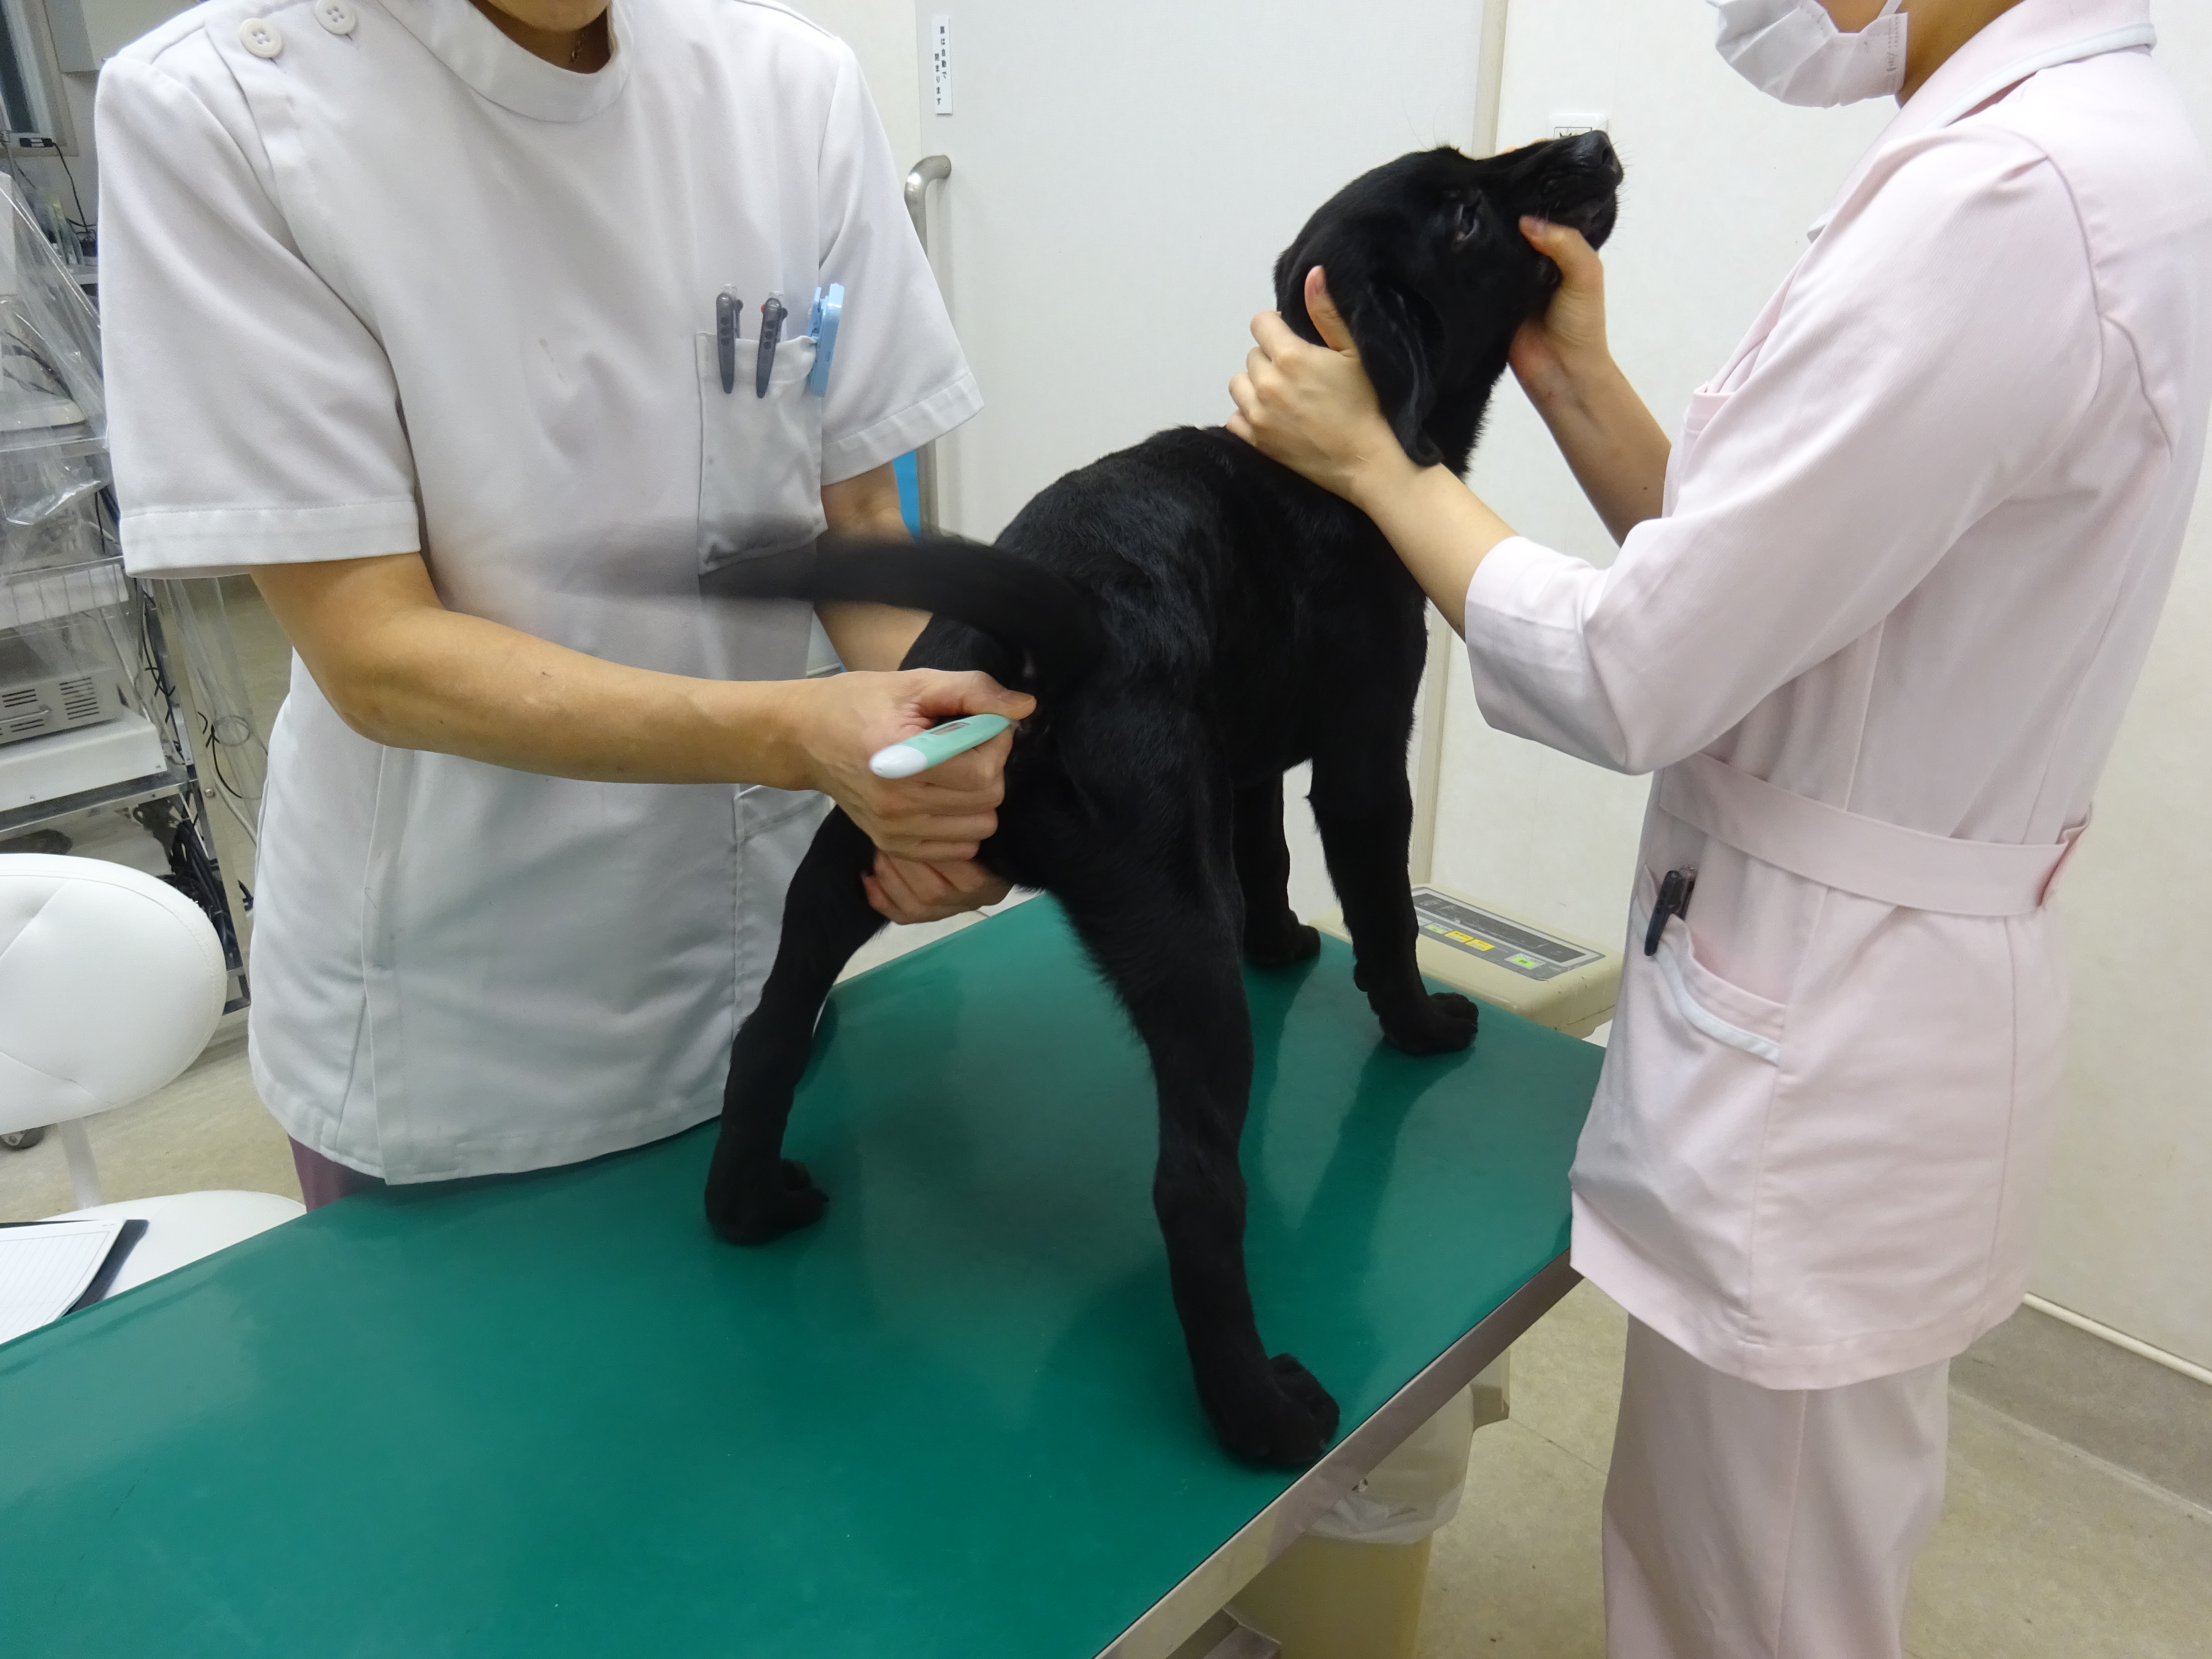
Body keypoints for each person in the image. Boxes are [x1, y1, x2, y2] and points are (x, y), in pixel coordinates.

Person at [1229, 0, 2211, 1654]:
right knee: (1765, 1561)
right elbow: (1781, 579)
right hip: (1889, 990)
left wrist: (1384, 470)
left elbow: (1643, 669)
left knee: (1754, 1602)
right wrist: (1570, 378)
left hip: (1836, 1033)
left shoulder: (2006, 202)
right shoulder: (2101, 153)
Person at [96, 0, 1027, 1204]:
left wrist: (955, 783)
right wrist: (802, 736)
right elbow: (376, 653)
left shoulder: (789, 85)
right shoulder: (218, 106)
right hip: (465, 1034)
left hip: (767, 963)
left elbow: (857, 530)